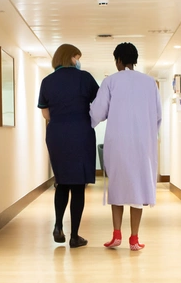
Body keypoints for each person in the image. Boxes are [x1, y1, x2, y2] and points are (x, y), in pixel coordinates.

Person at [89, 42, 162, 251]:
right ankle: (134, 239)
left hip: (118, 142)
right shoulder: (150, 83)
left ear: (118, 60)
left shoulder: (110, 81)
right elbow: (157, 115)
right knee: (138, 187)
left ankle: (116, 235)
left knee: (118, 185)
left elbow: (98, 113)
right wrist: (149, 133)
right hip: (142, 144)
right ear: (135, 59)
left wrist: (89, 117)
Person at [37, 44, 99, 248]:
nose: (78, 61)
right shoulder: (85, 78)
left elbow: (45, 114)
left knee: (62, 182)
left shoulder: (47, 82)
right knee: (78, 185)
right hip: (80, 133)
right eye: (77, 57)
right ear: (71, 57)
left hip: (57, 135)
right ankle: (74, 236)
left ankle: (57, 226)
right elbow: (99, 105)